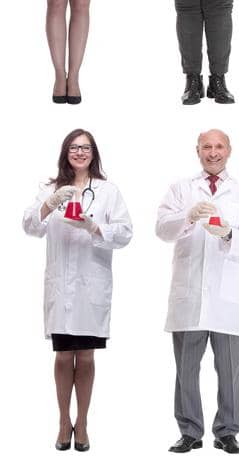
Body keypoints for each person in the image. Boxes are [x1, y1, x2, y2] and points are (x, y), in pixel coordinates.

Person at [153, 129, 239, 454]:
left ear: (229, 150)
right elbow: (162, 229)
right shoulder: (180, 189)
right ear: (197, 150)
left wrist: (229, 233)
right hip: (189, 296)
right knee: (185, 370)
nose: (213, 152)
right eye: (207, 147)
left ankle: (227, 432)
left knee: (229, 371)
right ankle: (190, 432)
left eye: (219, 146)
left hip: (227, 297)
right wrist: (187, 218)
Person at [23, 129, 133, 452]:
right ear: (65, 152)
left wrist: (94, 226)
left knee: (85, 356)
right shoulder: (49, 188)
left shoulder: (108, 191)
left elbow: (126, 233)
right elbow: (30, 226)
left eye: (85, 148)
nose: (80, 152)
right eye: (74, 147)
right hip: (61, 286)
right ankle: (62, 421)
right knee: (61, 356)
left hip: (91, 286)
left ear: (93, 153)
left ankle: (82, 422)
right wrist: (50, 203)